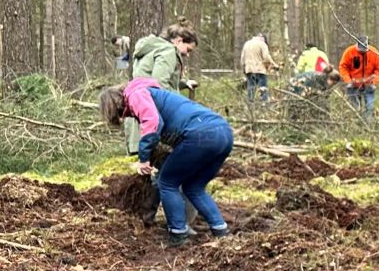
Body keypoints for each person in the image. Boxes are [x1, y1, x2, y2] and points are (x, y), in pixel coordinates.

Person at [99, 76, 235, 247]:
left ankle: (178, 234)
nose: (121, 118)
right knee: (194, 187)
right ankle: (221, 230)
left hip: (200, 135)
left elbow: (153, 122)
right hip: (223, 133)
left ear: (114, 104)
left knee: (167, 182)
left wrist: (144, 159)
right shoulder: (153, 93)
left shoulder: (135, 94)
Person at [132, 23, 198, 92]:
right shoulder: (169, 51)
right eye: (188, 49)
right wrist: (179, 99)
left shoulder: (153, 48)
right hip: (152, 99)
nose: (187, 54)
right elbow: (159, 84)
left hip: (141, 97)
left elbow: (151, 78)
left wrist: (185, 83)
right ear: (179, 41)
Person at [338, 37, 379, 121]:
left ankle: (368, 125)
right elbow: (343, 67)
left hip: (369, 85)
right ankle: (357, 125)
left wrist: (374, 82)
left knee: (369, 108)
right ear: (357, 45)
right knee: (355, 109)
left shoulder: (374, 52)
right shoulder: (349, 52)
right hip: (353, 86)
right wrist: (348, 80)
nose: (362, 51)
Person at [240, 33, 280, 103]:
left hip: (249, 69)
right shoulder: (262, 44)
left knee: (251, 87)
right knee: (263, 88)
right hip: (260, 70)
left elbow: (242, 58)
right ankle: (263, 103)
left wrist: (244, 67)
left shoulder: (247, 44)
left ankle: (250, 104)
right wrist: (274, 65)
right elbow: (266, 57)